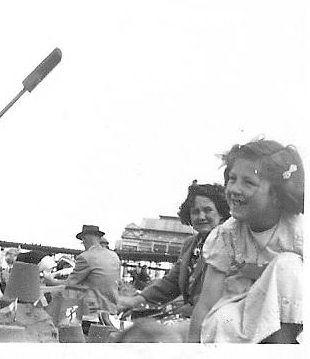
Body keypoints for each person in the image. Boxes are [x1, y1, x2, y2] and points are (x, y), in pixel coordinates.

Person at [188, 140, 303, 343]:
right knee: (220, 318)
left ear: (276, 194)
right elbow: (206, 303)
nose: (234, 189)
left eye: (248, 182)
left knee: (288, 265)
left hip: (290, 322)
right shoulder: (227, 235)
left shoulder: (297, 231)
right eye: (232, 179)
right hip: (241, 312)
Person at [118, 182, 230, 317]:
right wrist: (135, 301)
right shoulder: (191, 244)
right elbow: (172, 282)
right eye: (195, 211)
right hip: (190, 317)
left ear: (221, 214)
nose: (201, 216)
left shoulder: (228, 243)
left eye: (207, 210)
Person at [43, 225, 122, 314]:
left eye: (82, 241)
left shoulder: (85, 257)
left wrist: (51, 281)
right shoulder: (114, 257)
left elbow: (69, 284)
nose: (83, 244)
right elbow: (118, 284)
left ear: (85, 238)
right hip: (111, 310)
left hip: (92, 313)